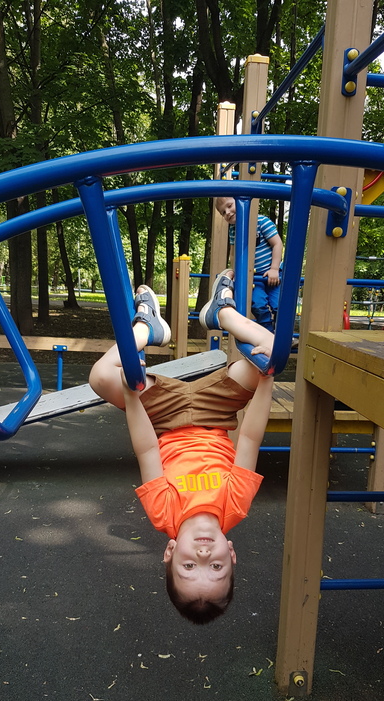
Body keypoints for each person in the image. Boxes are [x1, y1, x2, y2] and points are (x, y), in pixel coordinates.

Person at [89, 270, 274, 624]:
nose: (203, 555)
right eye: (216, 566)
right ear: (231, 554)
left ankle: (147, 327)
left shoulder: (163, 512)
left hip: (165, 415)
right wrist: (266, 381)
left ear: (170, 552)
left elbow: (147, 450)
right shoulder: (236, 504)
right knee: (274, 348)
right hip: (216, 410)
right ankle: (222, 312)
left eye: (189, 566)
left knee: (100, 375)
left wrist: (131, 395)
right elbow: (250, 439)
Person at [215, 196, 283, 332]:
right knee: (257, 305)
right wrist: (236, 271)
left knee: (280, 305)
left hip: (273, 274)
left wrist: (274, 268)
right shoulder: (233, 230)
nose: (227, 212)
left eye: (229, 206)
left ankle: (283, 335)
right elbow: (233, 253)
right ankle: (268, 334)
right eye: (223, 212)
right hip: (253, 277)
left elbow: (277, 244)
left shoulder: (261, 221)